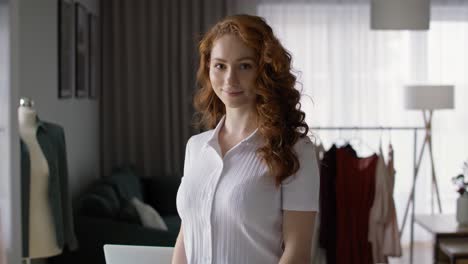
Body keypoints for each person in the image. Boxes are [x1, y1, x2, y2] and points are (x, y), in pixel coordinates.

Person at [172, 14, 320, 264]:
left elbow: (297, 253)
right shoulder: (196, 148)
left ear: (265, 71)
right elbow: (187, 234)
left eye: (245, 66)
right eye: (220, 65)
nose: (230, 79)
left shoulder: (296, 151)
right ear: (208, 69)